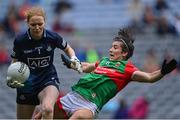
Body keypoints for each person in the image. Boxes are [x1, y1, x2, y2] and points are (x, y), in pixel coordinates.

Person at [33, 28, 177, 119]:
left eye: (115, 47)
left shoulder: (128, 69)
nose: (110, 50)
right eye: (111, 46)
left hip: (89, 105)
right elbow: (87, 66)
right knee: (40, 112)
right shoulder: (103, 61)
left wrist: (162, 72)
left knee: (77, 118)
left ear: (124, 52)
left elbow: (150, 77)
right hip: (74, 95)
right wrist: (72, 64)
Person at [6, 6, 82, 119]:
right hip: (27, 83)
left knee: (47, 109)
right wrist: (10, 77)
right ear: (27, 23)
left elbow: (68, 48)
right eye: (33, 25)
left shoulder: (53, 37)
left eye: (40, 24)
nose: (37, 27)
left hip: (47, 79)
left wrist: (74, 58)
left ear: (45, 22)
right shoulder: (20, 41)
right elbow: (15, 60)